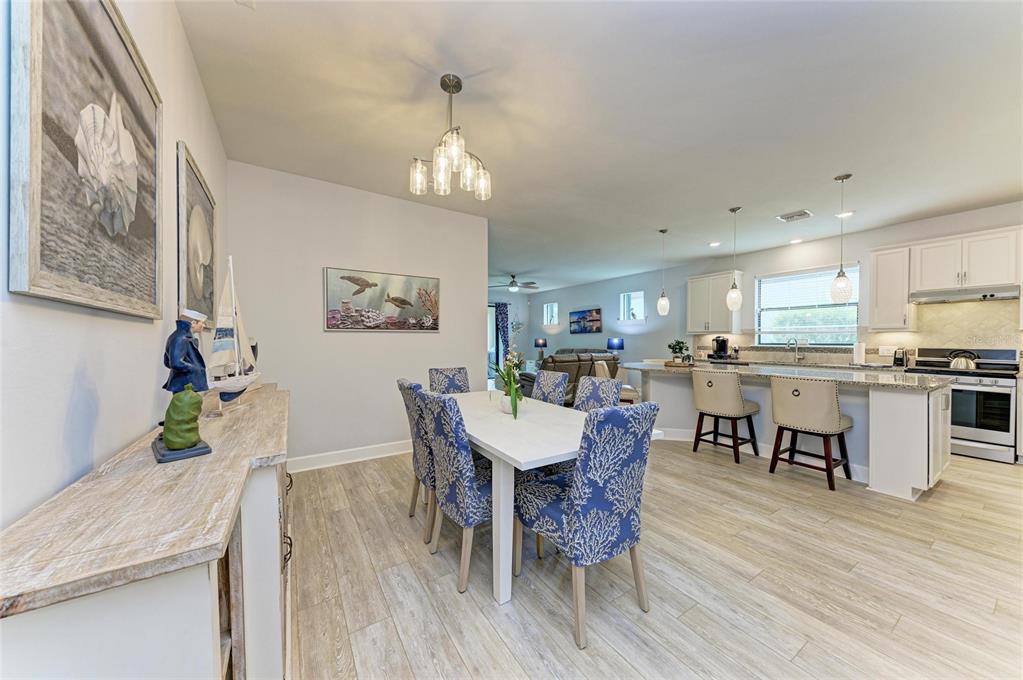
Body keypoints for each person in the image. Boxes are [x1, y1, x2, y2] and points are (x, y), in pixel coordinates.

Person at [163, 309, 209, 393]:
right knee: (185, 405)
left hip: (186, 385)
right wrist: (195, 368)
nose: (203, 325)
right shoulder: (181, 338)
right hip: (185, 386)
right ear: (193, 323)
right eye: (201, 322)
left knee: (190, 405)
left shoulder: (179, 336)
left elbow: (167, 361)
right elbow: (176, 363)